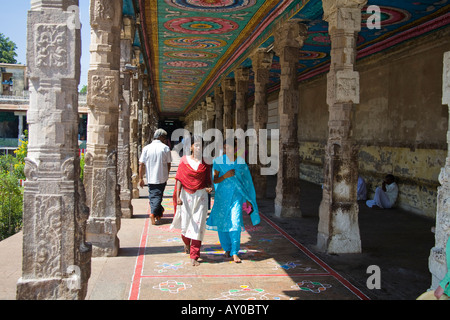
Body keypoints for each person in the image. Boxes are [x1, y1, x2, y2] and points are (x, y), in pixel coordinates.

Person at [206, 138, 260, 263]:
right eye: (224, 148)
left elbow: (247, 181)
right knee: (222, 223)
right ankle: (226, 248)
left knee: (235, 222)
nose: (227, 150)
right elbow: (215, 180)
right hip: (221, 197)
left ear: (234, 148)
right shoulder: (218, 162)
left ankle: (235, 252)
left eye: (229, 147)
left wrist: (248, 198)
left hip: (237, 196)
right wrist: (225, 176)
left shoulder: (240, 162)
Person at [170, 136, 212, 266]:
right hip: (186, 197)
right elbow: (179, 180)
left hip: (201, 196)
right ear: (191, 147)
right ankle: (186, 243)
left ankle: (194, 255)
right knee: (186, 225)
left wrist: (209, 187)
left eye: (201, 145)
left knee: (198, 226)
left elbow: (207, 181)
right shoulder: (184, 161)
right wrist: (178, 197)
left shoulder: (205, 163)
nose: (199, 148)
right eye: (197, 145)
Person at [139, 129, 172, 225]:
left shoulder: (146, 148)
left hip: (150, 176)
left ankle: (158, 212)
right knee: (157, 196)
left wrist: (141, 178)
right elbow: (168, 163)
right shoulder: (165, 148)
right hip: (162, 176)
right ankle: (153, 214)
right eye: (164, 138)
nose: (165, 140)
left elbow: (141, 164)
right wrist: (167, 173)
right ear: (161, 137)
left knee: (153, 195)